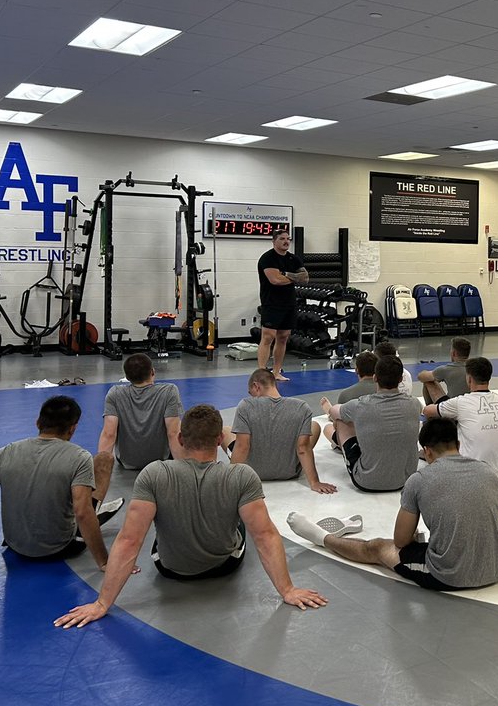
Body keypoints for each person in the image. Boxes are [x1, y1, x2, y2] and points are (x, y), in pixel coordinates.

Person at [53, 405, 327, 627]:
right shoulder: (241, 475)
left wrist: (102, 603)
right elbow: (265, 535)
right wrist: (287, 590)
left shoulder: (155, 473)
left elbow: (128, 541)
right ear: (220, 440)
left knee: (153, 520)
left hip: (170, 568)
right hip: (224, 564)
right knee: (246, 517)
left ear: (181, 439)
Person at [287, 417, 498, 591]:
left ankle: (321, 538)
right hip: (496, 568)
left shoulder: (419, 479)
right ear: (458, 445)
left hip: (448, 575)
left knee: (377, 547)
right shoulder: (487, 471)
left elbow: (401, 541)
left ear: (427, 451)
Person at [0, 396, 120, 584]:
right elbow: (82, 512)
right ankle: (92, 516)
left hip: (16, 546)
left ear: (38, 422)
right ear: (73, 428)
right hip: (61, 547)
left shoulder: (2, 453)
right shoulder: (80, 457)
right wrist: (104, 561)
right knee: (104, 459)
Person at [321, 356, 423, 492]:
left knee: (340, 420)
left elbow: (334, 412)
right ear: (400, 379)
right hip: (406, 480)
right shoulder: (415, 404)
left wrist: (330, 410)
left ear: (375, 378)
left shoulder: (360, 405)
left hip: (367, 481)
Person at [228, 369, 336, 493]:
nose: (250, 396)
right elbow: (303, 448)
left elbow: (242, 446)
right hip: (289, 472)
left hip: (252, 472)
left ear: (256, 386)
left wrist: (231, 482)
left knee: (227, 431)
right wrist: (315, 482)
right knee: (315, 426)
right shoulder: (301, 407)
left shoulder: (246, 405)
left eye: (250, 392)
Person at [94, 354, 182, 502]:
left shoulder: (115, 393)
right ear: (152, 372)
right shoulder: (169, 391)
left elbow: (109, 434)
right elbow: (173, 433)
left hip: (127, 462)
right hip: (160, 459)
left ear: (127, 378)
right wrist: (184, 469)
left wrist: (99, 471)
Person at [422, 357, 498, 475]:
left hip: (472, 466)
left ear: (469, 379)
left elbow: (427, 411)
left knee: (441, 419)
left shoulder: (461, 402)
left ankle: (431, 451)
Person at [256, 229, 307, 382]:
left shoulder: (294, 259)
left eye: (288, 239)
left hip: (289, 302)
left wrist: (285, 274)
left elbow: (304, 278)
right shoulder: (267, 258)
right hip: (271, 302)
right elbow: (275, 280)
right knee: (268, 336)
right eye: (282, 239)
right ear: (274, 241)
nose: (286, 241)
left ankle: (276, 372)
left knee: (283, 337)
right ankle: (261, 373)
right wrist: (293, 277)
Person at [417, 337, 470, 404]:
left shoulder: (446, 369)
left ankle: (431, 409)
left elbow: (421, 377)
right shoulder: (475, 367)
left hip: (452, 407)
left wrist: (426, 373)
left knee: (428, 381)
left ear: (454, 353)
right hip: (472, 405)